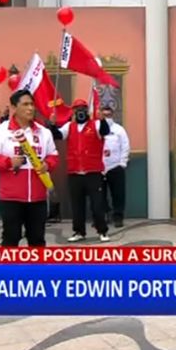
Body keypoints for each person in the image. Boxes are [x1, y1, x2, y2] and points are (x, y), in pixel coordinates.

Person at [0, 90, 59, 246]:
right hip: (11, 198)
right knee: (11, 239)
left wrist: (47, 164)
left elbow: (53, 155)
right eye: (25, 104)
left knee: (37, 240)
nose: (30, 108)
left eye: (32, 104)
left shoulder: (44, 132)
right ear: (14, 108)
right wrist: (8, 162)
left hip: (38, 198)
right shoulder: (0, 132)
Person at [48, 99, 111, 242]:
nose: (80, 111)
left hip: (93, 172)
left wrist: (102, 119)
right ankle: (79, 232)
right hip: (74, 172)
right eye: (77, 109)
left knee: (97, 204)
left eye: (83, 108)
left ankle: (102, 231)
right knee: (77, 205)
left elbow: (105, 132)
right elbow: (57, 135)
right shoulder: (69, 126)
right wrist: (52, 124)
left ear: (87, 110)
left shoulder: (96, 124)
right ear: (73, 112)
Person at [101, 105, 130, 228]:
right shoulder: (96, 129)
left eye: (108, 115)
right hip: (99, 168)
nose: (106, 117)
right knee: (99, 195)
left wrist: (122, 163)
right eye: (104, 115)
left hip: (115, 167)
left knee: (118, 194)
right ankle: (103, 216)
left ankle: (118, 217)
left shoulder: (119, 130)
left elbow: (125, 146)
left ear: (112, 115)